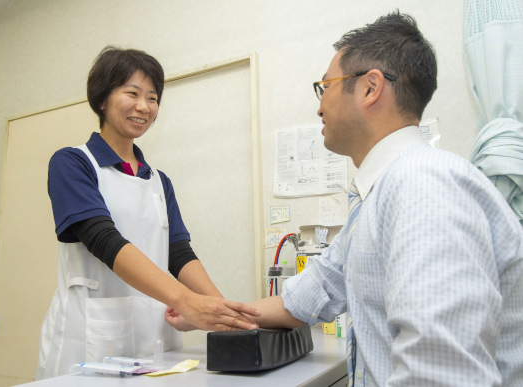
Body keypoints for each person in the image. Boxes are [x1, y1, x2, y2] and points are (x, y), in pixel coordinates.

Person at [168, 11, 523, 386]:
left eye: (327, 87)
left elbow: (439, 376)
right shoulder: (375, 197)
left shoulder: (423, 186)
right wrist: (212, 314)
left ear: (371, 88)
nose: (319, 106)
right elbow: (307, 295)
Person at [36, 46, 259, 379]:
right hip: (88, 339)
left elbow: (179, 253)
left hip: (156, 337)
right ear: (102, 100)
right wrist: (185, 300)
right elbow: (104, 240)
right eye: (132, 93)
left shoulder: (159, 181)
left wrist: (226, 314)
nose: (144, 106)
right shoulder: (73, 163)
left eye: (153, 98)